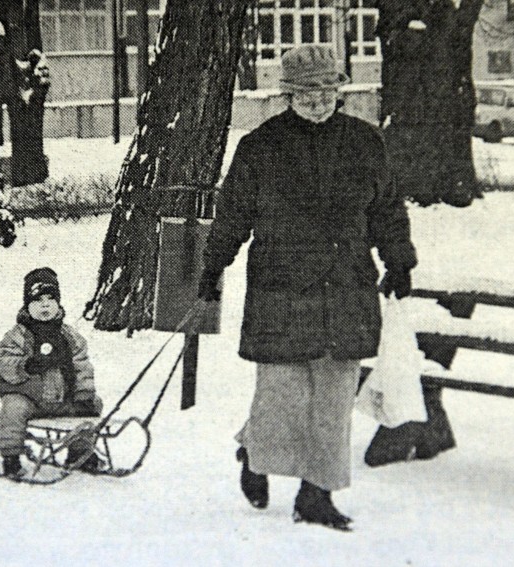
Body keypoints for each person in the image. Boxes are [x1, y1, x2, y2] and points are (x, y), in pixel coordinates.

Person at [198, 45, 417, 531]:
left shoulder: (366, 142)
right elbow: (233, 214)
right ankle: (256, 455)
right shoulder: (259, 146)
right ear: (287, 95)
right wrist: (214, 266)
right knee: (283, 394)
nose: (317, 101)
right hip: (282, 287)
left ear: (340, 90)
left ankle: (316, 494)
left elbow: (386, 209)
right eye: (305, 92)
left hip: (346, 286)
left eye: (326, 90)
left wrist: (399, 261)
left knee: (334, 398)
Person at [0, 267, 102, 477]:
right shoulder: (19, 335)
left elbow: (82, 366)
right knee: (13, 407)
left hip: (62, 399)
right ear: (28, 304)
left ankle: (79, 453)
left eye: (50, 299)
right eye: (38, 300)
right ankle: (11, 457)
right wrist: (24, 365)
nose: (45, 304)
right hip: (30, 399)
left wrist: (84, 395)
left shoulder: (70, 337)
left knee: (92, 404)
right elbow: (3, 358)